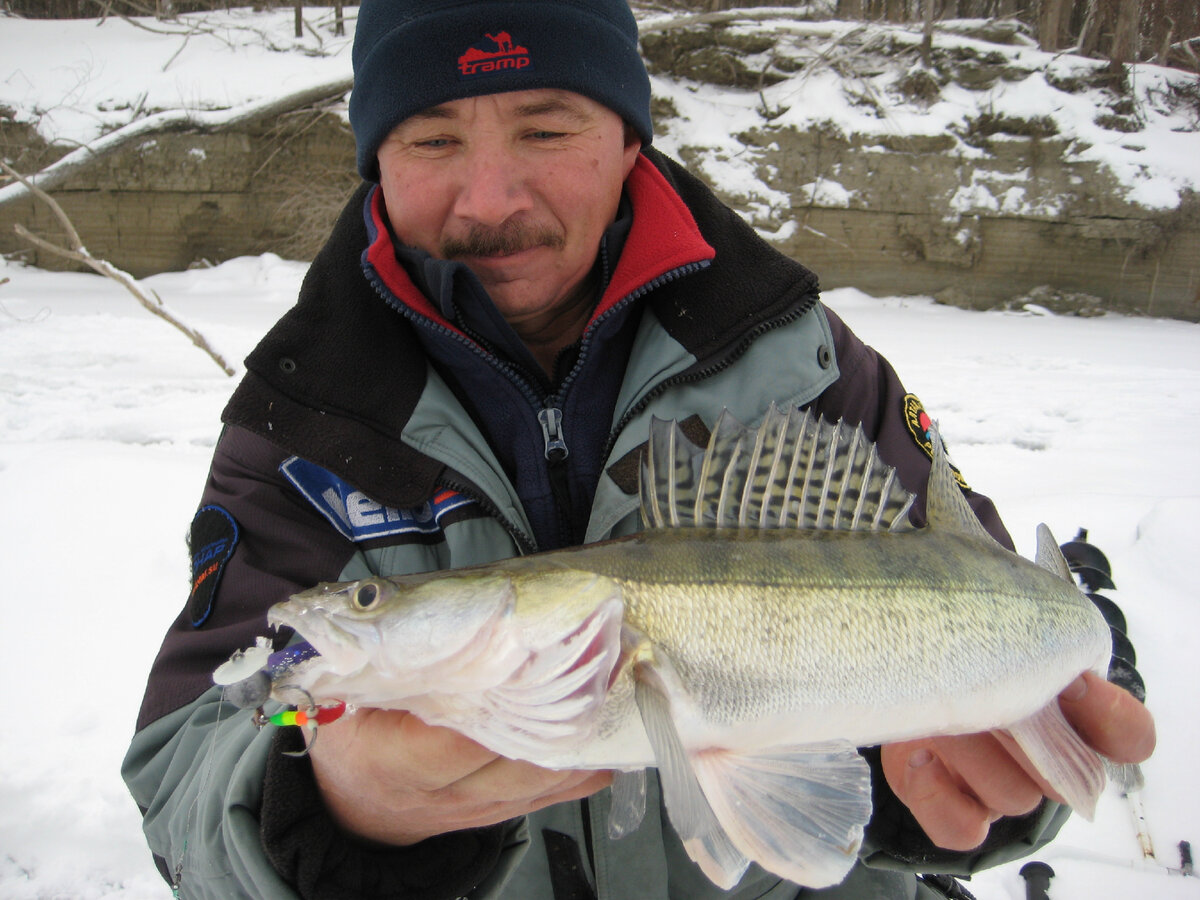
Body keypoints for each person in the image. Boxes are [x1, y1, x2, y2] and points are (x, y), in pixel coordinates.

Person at [121, 1, 1155, 898]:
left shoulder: (806, 368)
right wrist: (332, 812)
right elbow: (188, 774)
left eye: (546, 128)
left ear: (629, 139)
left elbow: (985, 595)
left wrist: (947, 781)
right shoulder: (303, 419)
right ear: (374, 158)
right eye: (431, 140)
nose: (489, 198)